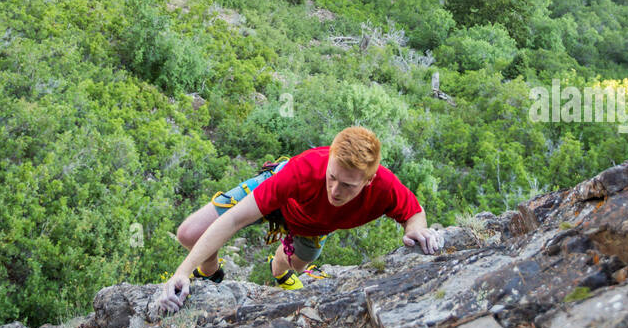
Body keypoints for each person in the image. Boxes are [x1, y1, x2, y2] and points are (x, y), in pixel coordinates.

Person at [157, 125, 444, 314]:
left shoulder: (385, 186)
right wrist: (183, 271)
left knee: (287, 267)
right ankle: (209, 272)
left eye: (348, 185)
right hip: (280, 196)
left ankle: (279, 268)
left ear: (369, 181)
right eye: (332, 177)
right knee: (189, 233)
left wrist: (417, 231)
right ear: (329, 159)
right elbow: (234, 220)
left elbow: (413, 213)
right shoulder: (304, 169)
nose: (335, 190)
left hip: (313, 226)